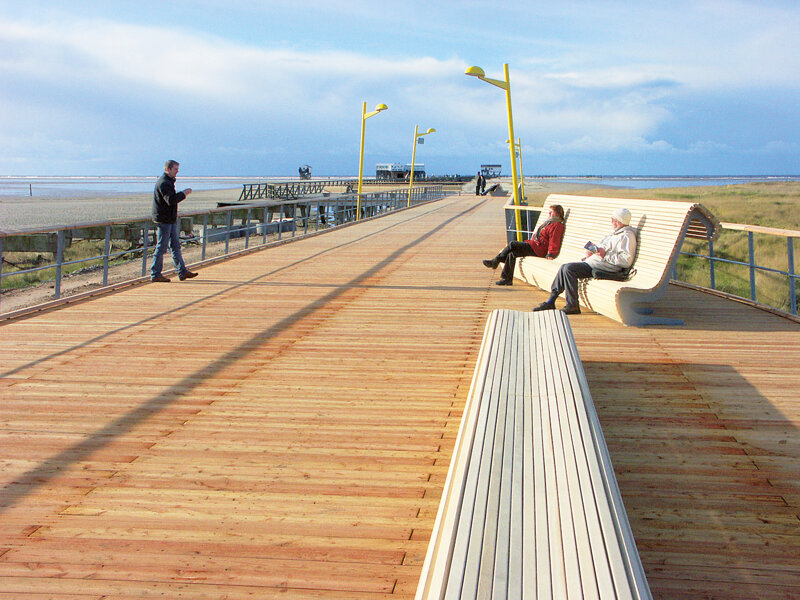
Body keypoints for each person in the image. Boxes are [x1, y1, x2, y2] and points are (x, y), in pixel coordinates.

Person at [533, 207, 636, 314]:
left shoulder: (627, 236)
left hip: (606, 268)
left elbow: (626, 260)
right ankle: (552, 299)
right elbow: (602, 249)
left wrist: (605, 255)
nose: (612, 221)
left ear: (620, 221)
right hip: (593, 263)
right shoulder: (613, 234)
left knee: (569, 269)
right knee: (565, 267)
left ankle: (572, 305)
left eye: (614, 219)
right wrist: (591, 253)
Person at [482, 204, 565, 285]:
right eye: (549, 212)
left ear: (557, 213)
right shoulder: (549, 222)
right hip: (535, 246)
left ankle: (496, 261)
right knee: (512, 253)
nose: (549, 214)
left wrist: (551, 253)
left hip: (539, 249)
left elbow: (554, 240)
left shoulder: (557, 225)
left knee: (512, 244)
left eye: (551, 212)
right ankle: (507, 279)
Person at [150, 160, 197, 282]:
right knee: (162, 247)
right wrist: (184, 193)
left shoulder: (168, 182)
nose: (177, 171)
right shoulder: (164, 183)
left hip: (170, 219)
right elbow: (170, 200)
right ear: (168, 169)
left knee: (175, 246)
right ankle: (155, 273)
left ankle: (182, 272)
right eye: (175, 169)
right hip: (164, 220)